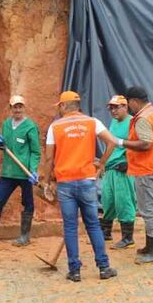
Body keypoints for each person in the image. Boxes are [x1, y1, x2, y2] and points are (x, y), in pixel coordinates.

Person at [39, 91, 121, 282]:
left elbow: (50, 157)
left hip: (65, 183)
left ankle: (74, 271)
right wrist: (101, 164)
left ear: (63, 106)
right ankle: (103, 267)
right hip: (87, 181)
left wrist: (47, 180)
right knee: (93, 224)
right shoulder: (92, 122)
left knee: (70, 227)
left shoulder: (55, 127)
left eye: (59, 106)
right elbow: (112, 142)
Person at [0, 94, 41, 246]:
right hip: (8, 172)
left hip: (24, 172)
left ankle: (25, 236)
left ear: (23, 108)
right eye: (15, 106)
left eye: (20, 106)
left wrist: (33, 170)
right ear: (10, 108)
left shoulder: (30, 126)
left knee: (27, 202)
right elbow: (5, 146)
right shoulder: (6, 124)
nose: (18, 109)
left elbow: (35, 151)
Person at [121, 86, 153, 265]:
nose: (129, 107)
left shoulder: (143, 118)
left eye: (129, 103)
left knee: (149, 210)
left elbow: (145, 144)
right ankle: (151, 246)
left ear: (134, 101)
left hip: (147, 170)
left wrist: (123, 142)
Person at [97, 95, 137, 250]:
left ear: (125, 107)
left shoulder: (132, 122)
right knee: (108, 200)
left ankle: (128, 238)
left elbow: (138, 144)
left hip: (123, 168)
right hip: (110, 167)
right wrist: (103, 162)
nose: (113, 111)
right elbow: (111, 144)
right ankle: (105, 232)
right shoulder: (114, 122)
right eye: (111, 108)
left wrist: (129, 162)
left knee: (124, 201)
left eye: (116, 107)